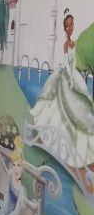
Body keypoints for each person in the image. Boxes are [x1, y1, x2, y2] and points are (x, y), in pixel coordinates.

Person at [31, 10, 94, 168]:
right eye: (68, 25)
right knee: (68, 111)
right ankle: (64, 143)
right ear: (64, 28)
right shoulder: (66, 45)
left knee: (77, 111)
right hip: (68, 77)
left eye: (72, 24)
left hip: (75, 76)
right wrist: (73, 80)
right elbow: (68, 63)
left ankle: (77, 144)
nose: (70, 28)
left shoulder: (75, 42)